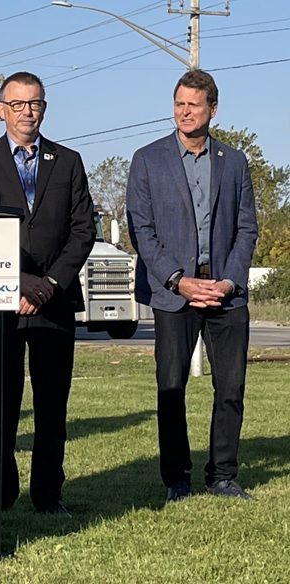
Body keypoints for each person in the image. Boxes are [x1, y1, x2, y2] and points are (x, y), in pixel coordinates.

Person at [0, 71, 95, 516]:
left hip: (53, 304)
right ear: (0, 109)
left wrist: (49, 284)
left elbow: (82, 231)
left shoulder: (68, 161)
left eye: (34, 103)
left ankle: (48, 497)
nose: (27, 112)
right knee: (1, 405)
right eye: (17, 104)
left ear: (44, 107)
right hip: (1, 305)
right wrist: (16, 282)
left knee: (52, 407)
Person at [126, 69, 257, 502]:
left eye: (193, 105)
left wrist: (229, 280)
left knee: (231, 388)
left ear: (212, 110)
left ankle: (222, 474)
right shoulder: (147, 159)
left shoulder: (234, 161)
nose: (184, 111)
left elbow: (246, 229)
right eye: (179, 103)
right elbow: (142, 232)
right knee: (171, 388)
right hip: (172, 294)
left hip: (226, 293)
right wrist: (178, 281)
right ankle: (176, 479)